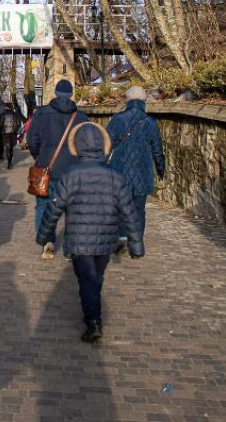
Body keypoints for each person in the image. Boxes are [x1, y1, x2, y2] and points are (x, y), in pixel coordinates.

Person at [37, 122, 142, 343]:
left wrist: (44, 234)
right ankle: (93, 314)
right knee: (95, 277)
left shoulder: (70, 174)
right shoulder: (115, 175)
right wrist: (136, 243)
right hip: (105, 238)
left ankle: (93, 321)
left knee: (88, 280)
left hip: (78, 239)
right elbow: (128, 210)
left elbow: (54, 207)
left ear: (77, 146)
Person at [28, 79, 88, 250]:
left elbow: (32, 139)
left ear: (55, 93)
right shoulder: (81, 117)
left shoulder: (41, 113)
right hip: (74, 169)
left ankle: (47, 239)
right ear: (71, 94)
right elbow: (87, 143)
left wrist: (38, 156)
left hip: (48, 167)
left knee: (43, 205)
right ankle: (70, 245)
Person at [106, 86, 165, 251]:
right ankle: (136, 240)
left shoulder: (117, 120)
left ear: (127, 100)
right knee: (139, 208)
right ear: (144, 101)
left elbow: (106, 145)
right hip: (142, 171)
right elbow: (157, 150)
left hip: (118, 170)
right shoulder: (150, 122)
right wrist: (161, 168)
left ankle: (122, 237)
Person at [1, 104, 22, 169]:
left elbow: (0, 123)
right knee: (11, 148)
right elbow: (18, 123)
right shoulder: (15, 114)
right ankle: (10, 161)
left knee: (8, 148)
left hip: (5, 133)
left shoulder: (3, 114)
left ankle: (9, 162)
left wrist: (2, 129)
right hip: (13, 133)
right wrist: (15, 129)